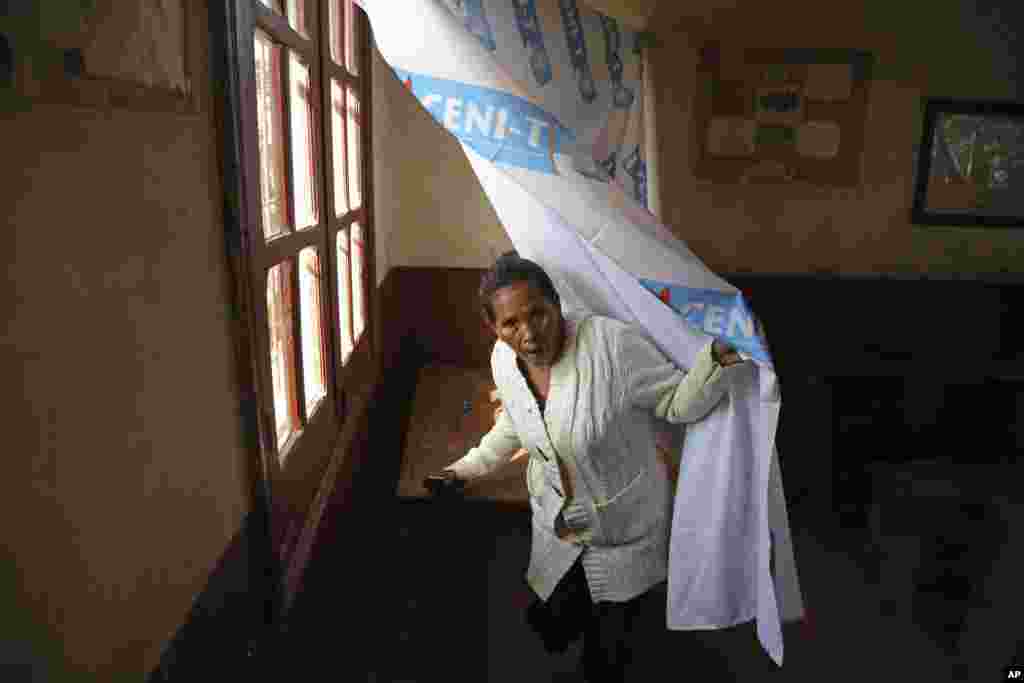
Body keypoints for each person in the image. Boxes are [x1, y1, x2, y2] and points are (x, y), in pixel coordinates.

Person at [428, 252, 746, 681]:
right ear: (494, 328)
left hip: (624, 533)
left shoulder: (611, 347)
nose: (528, 334)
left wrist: (720, 359)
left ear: (557, 304)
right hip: (556, 527)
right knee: (551, 619)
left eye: (538, 314)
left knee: (611, 655)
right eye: (510, 324)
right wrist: (464, 469)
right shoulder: (503, 361)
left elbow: (674, 402)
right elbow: (517, 424)